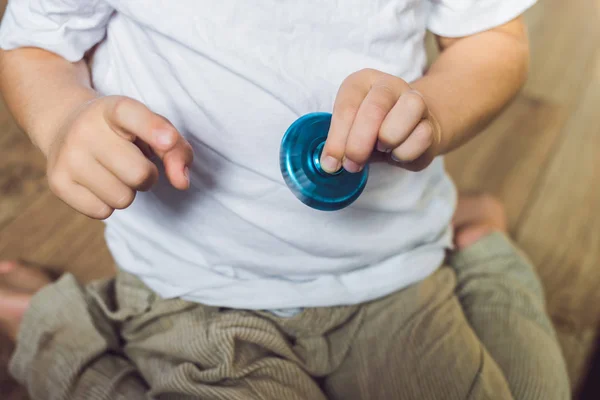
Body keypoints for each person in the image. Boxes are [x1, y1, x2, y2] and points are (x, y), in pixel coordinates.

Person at [0, 0, 569, 399]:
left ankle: (482, 246)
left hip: (392, 274)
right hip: (195, 285)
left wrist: (434, 111)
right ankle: (53, 327)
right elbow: (34, 46)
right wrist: (63, 119)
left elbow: (491, 40)